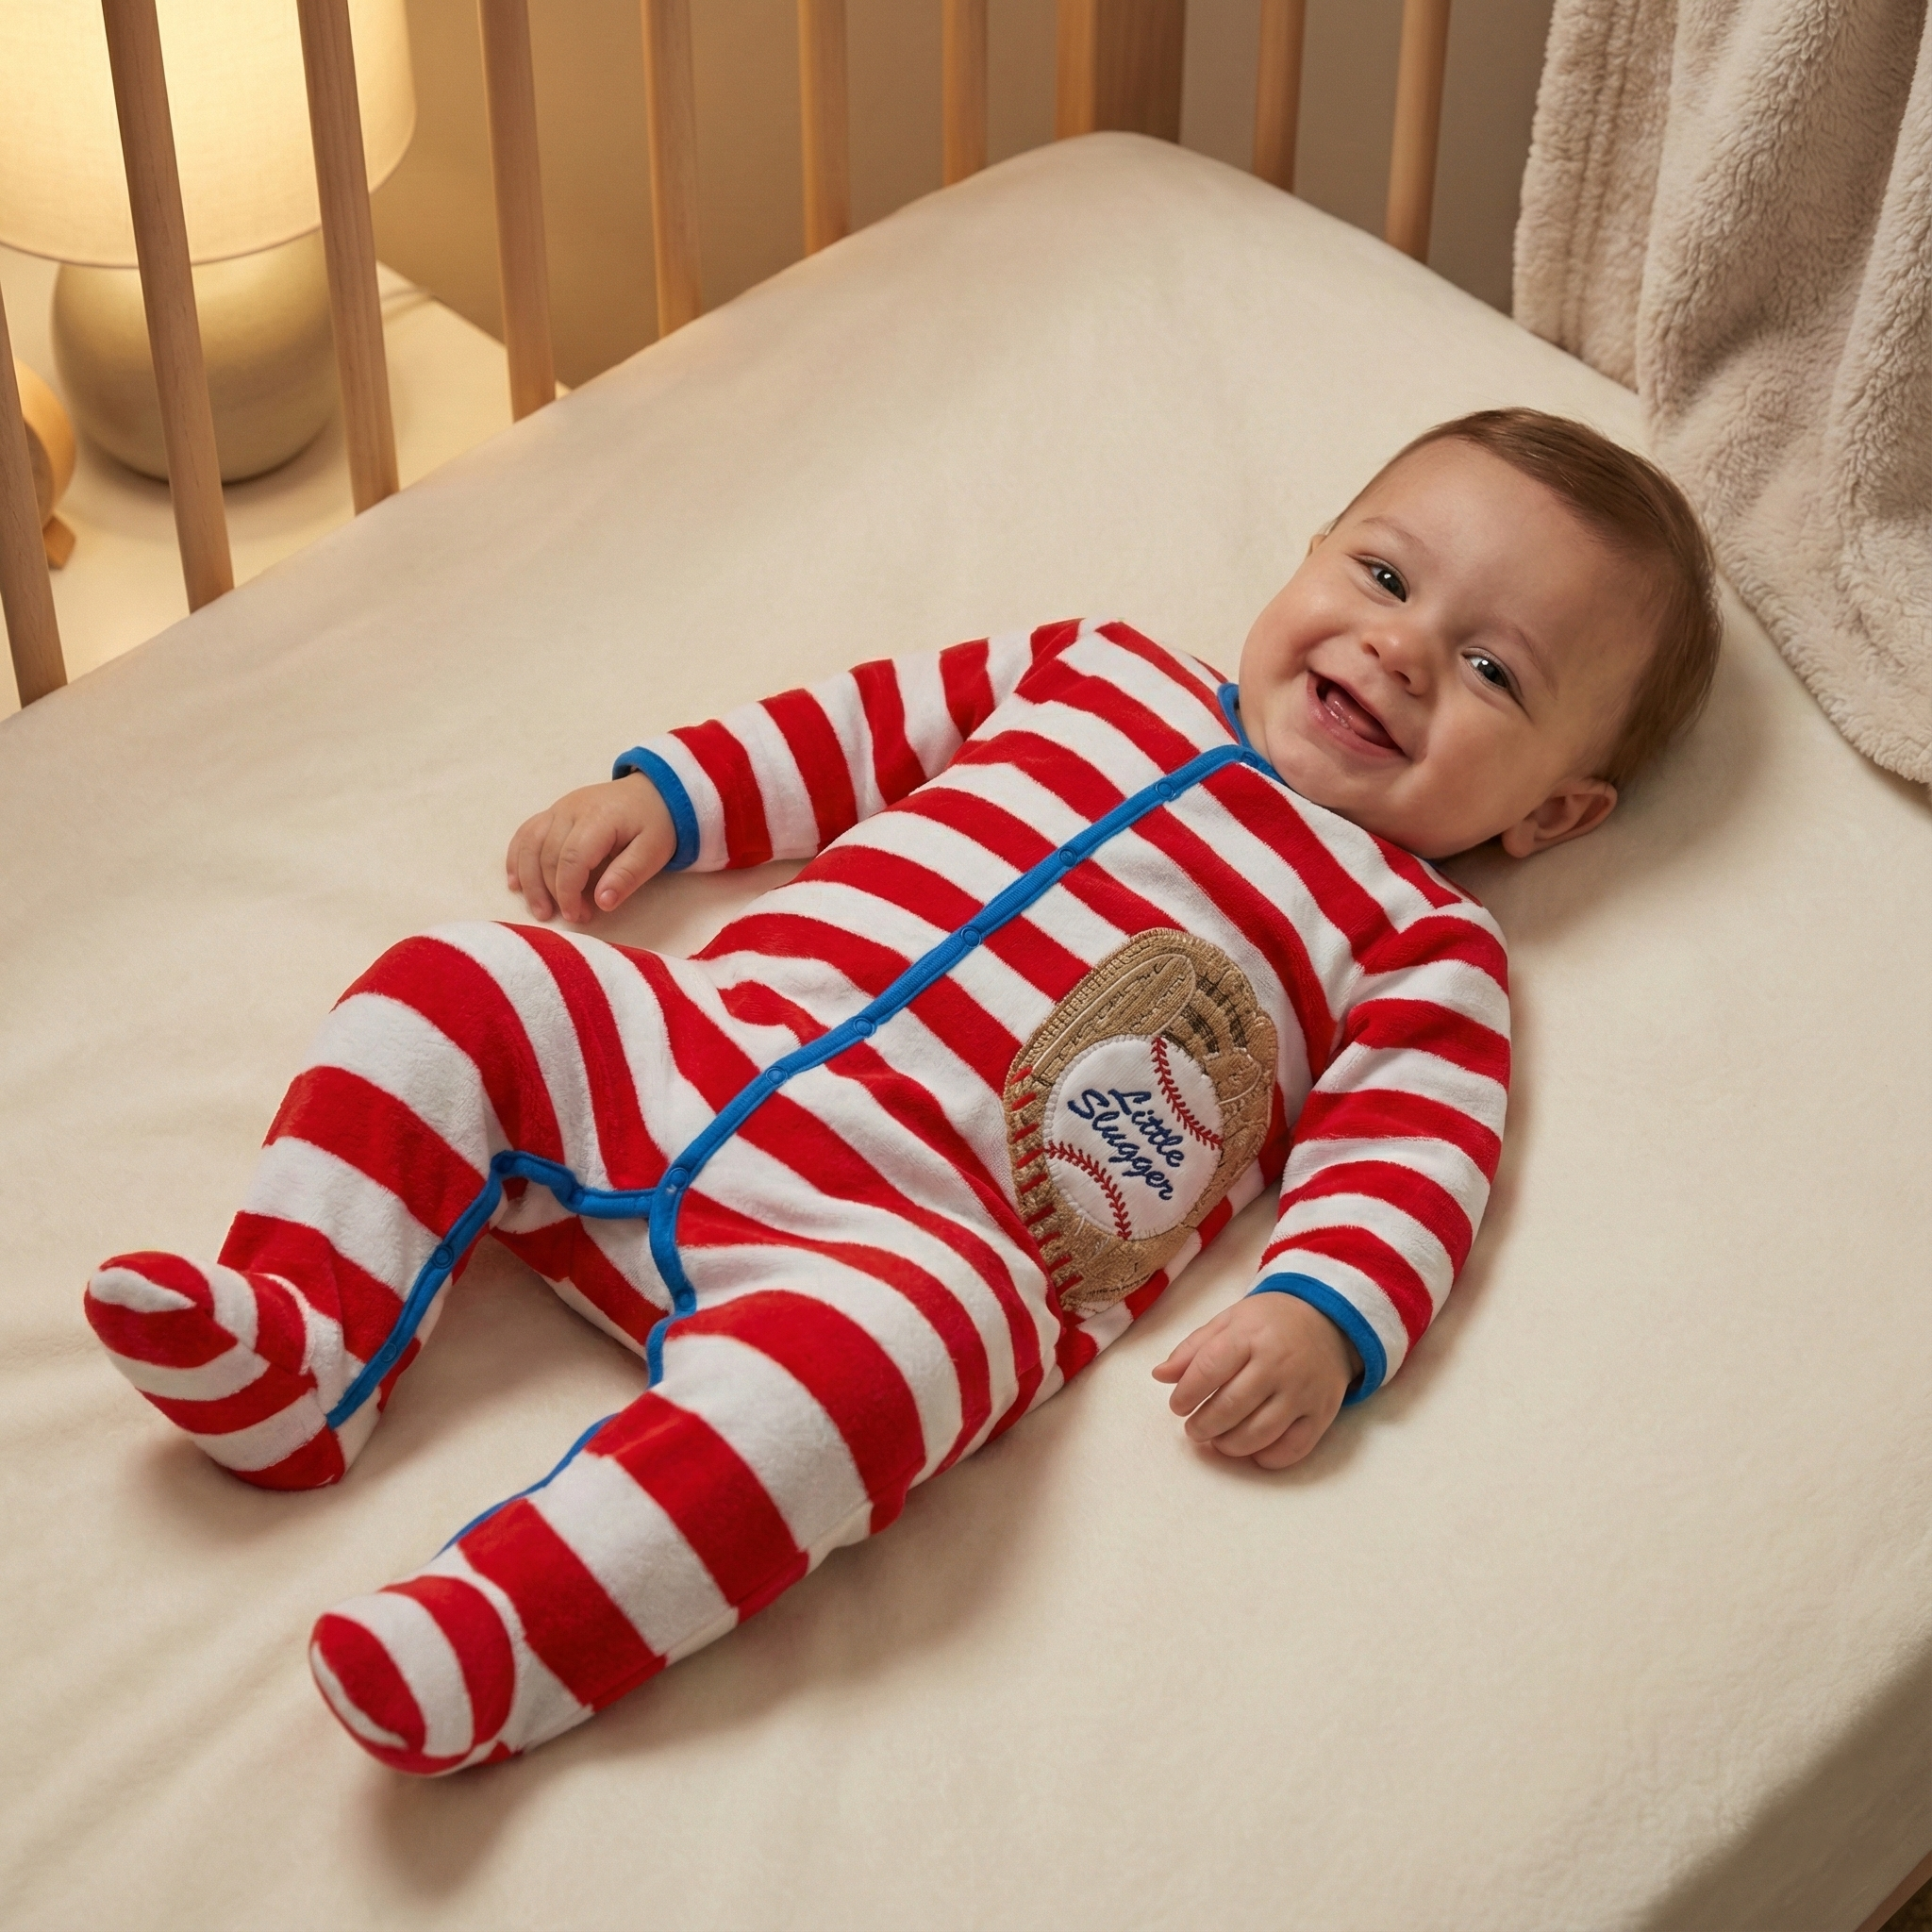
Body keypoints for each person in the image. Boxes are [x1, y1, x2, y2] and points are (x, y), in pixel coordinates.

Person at [83, 408, 1722, 1774]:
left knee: (889, 1375)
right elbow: (870, 728)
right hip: (696, 1047)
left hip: (917, 1247)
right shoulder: (1097, 668)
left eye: (1495, 671)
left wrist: (1328, 1316)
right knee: (463, 983)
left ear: (1558, 817)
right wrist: (678, 794)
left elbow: (1414, 1160)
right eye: (1380, 572)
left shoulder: (1419, 942)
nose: (1398, 650)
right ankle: (303, 1339)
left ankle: (514, 1629)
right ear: (1308, 552)